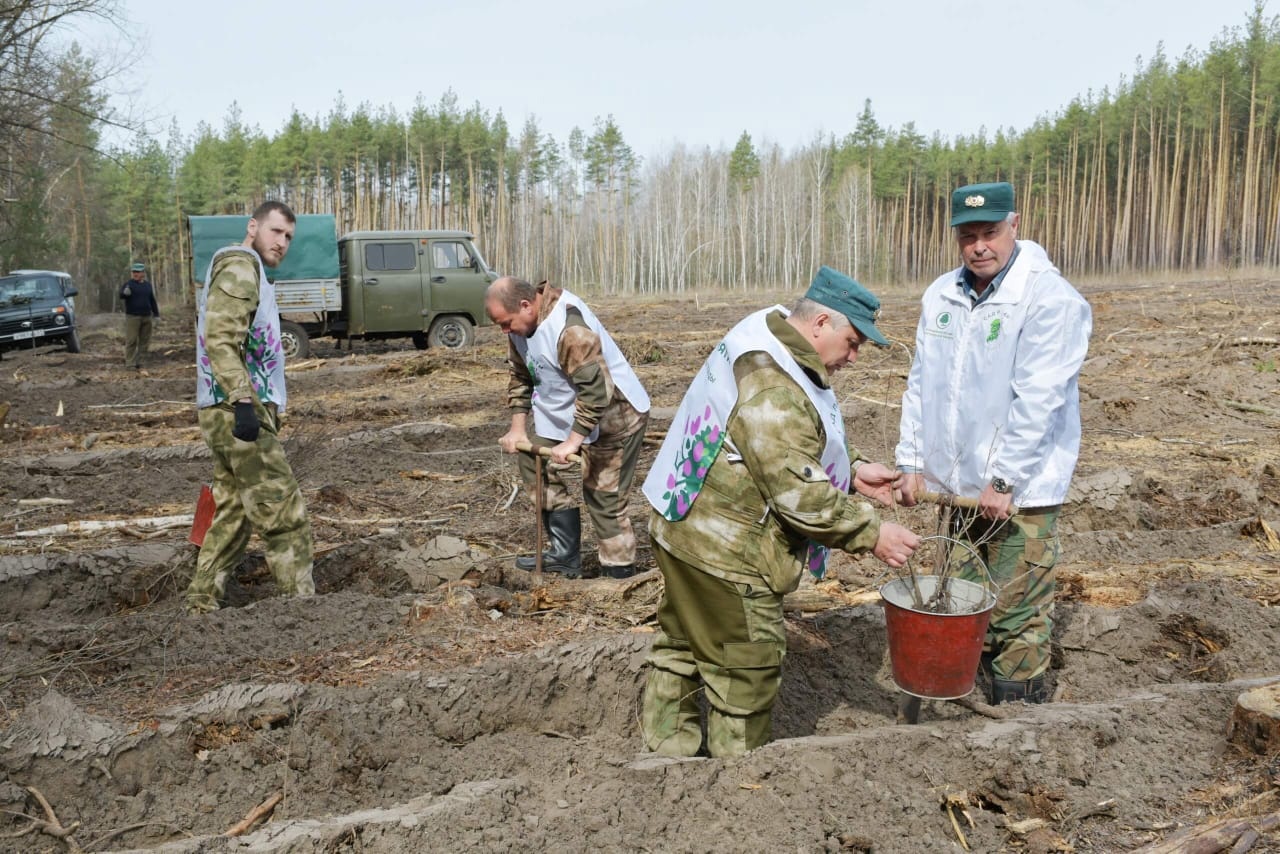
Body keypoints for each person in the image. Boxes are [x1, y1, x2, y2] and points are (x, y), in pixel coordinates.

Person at [639, 267, 920, 758]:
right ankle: (741, 782)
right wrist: (872, 533)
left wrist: (851, 471)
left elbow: (770, 444)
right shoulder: (775, 385)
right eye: (852, 342)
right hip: (727, 552)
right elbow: (798, 496)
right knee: (746, 668)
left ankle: (666, 760)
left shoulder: (770, 329)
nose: (853, 358)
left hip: (682, 523)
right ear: (820, 324)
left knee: (682, 646)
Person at [895, 181, 1092, 704]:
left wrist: (1005, 479)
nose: (980, 245)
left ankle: (1017, 719)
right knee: (963, 600)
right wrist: (912, 461)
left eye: (990, 232)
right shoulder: (941, 294)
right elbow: (922, 384)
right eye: (968, 235)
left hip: (1019, 491)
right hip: (960, 487)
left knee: (1016, 610)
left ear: (1015, 225)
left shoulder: (1049, 298)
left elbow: (1038, 400)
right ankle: (965, 707)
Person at [185, 201, 315, 614]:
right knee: (283, 511)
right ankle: (303, 609)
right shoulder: (242, 265)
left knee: (234, 515)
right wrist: (243, 401)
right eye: (275, 231)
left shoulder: (245, 269)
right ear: (253, 226)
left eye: (289, 237)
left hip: (224, 408)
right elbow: (220, 338)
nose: (282, 242)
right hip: (237, 410)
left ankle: (200, 605)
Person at [487, 276, 651, 579]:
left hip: (615, 415)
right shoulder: (519, 325)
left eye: (506, 323)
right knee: (533, 460)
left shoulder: (570, 329)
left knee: (603, 496)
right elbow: (521, 375)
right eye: (500, 325)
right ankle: (564, 553)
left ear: (526, 306)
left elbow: (597, 391)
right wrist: (517, 428)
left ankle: (618, 573)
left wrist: (574, 441)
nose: (504, 331)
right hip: (565, 407)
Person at [119, 262, 159, 369]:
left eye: (138, 272)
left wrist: (156, 314)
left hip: (146, 316)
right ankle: (130, 363)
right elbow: (121, 295)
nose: (135, 274)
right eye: (134, 272)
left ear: (143, 273)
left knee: (145, 341)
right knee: (131, 340)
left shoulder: (147, 285)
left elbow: (152, 300)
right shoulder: (129, 284)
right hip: (133, 317)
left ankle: (141, 361)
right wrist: (124, 293)